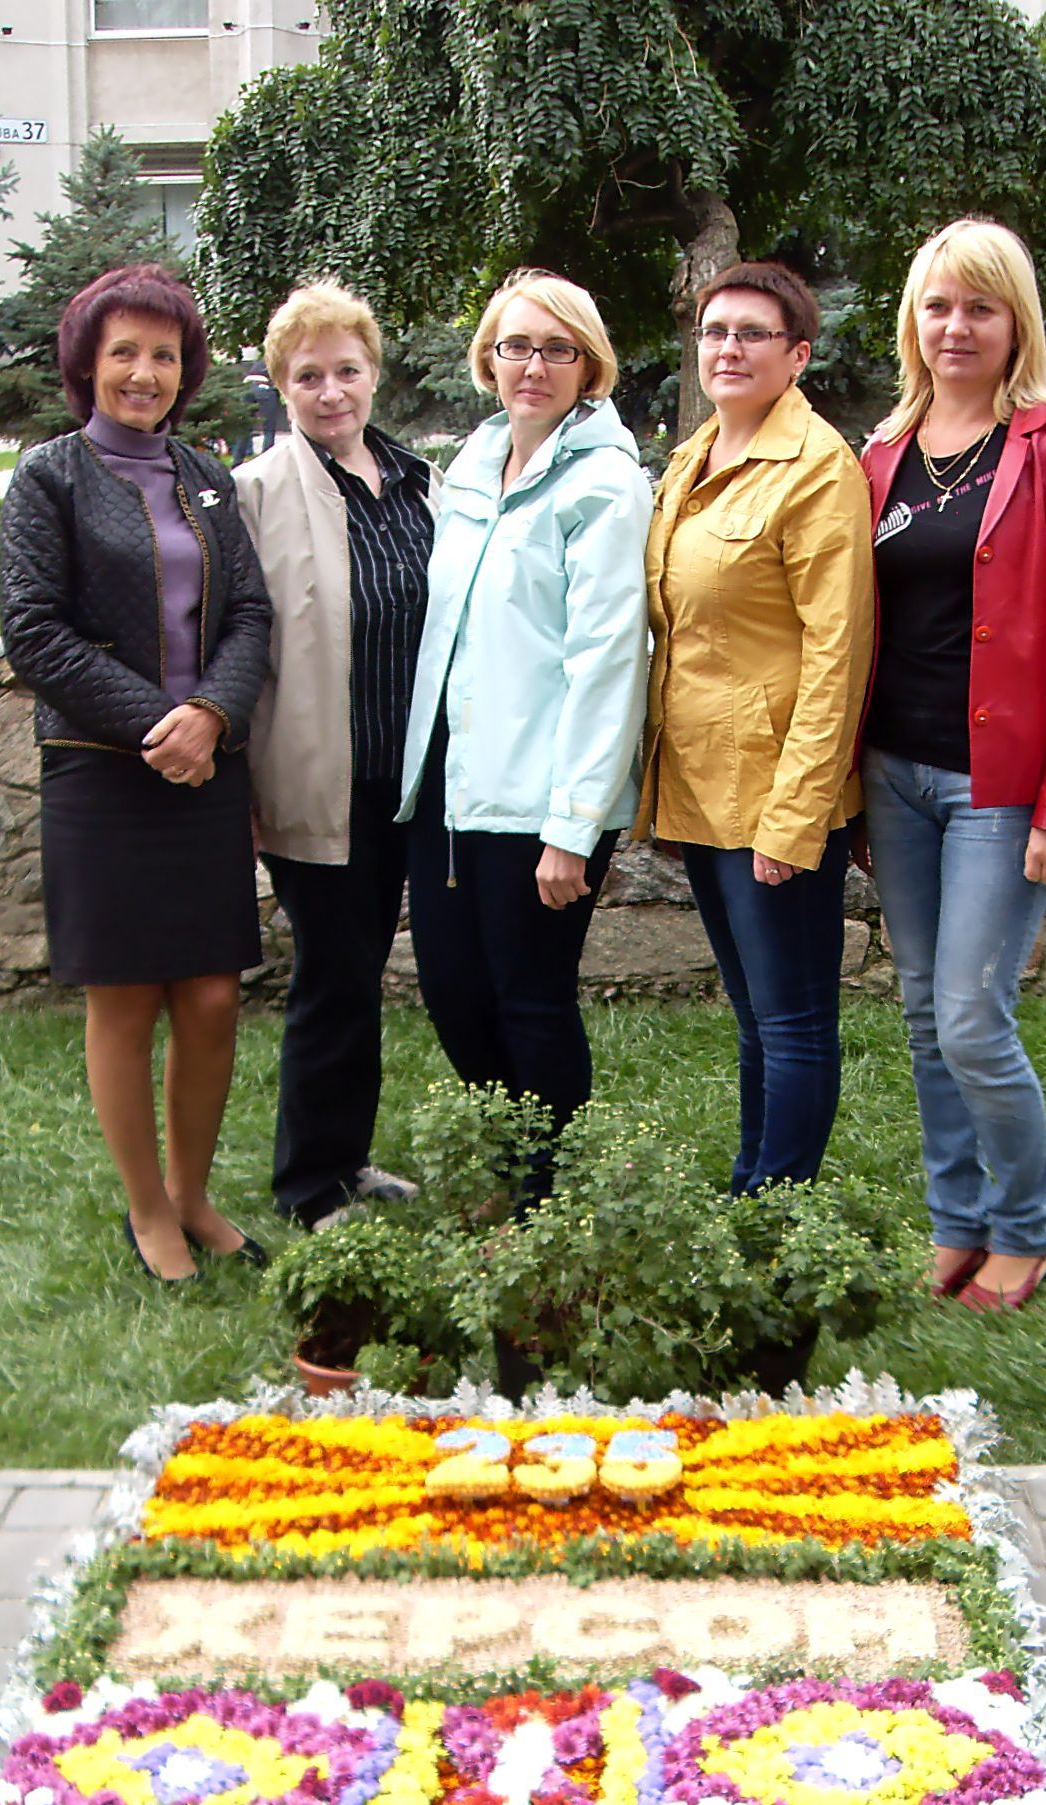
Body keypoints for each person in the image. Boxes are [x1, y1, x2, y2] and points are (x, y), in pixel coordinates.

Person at [855, 219, 1046, 1311]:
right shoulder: (883, 454)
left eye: (981, 306)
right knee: (927, 1014)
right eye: (938, 306)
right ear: (911, 323)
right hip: (896, 774)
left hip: (998, 787)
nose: (956, 326)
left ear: (1018, 321)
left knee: (973, 1015)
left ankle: (1024, 1228)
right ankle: (956, 1219)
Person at [0, 262, 272, 1283]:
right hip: (103, 776)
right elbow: (34, 631)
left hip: (205, 773)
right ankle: (148, 1209)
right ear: (89, 362)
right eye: (125, 352)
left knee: (210, 998)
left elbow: (250, 614)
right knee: (123, 1001)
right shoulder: (49, 478)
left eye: (164, 354)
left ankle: (194, 1195)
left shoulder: (208, 477)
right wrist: (165, 721)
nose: (145, 373)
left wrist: (211, 715)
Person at [396, 269, 651, 1162]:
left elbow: (606, 662)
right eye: (516, 347)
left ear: (590, 366)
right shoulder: (471, 468)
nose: (533, 366)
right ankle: (508, 1163)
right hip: (451, 786)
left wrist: (572, 828)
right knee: (453, 993)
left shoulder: (605, 484)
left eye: (557, 349)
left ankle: (552, 1195)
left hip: (542, 799)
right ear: (489, 360)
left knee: (529, 999)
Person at [636, 261, 873, 1195]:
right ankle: (753, 1188)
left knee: (794, 1019)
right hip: (701, 784)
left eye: (752, 334)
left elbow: (837, 654)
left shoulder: (817, 469)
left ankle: (779, 1209)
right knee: (753, 1015)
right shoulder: (694, 457)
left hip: (774, 792)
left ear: (797, 355)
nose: (727, 349)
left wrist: (796, 817)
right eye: (714, 332)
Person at [236, 281, 439, 1230]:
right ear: (282, 387)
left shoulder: (421, 481)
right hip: (322, 778)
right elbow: (236, 642)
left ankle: (348, 1159)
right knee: (333, 974)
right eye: (308, 376)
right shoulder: (257, 494)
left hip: (416, 780)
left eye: (347, 371)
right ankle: (310, 1183)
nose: (331, 392)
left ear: (374, 374)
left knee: (365, 973)